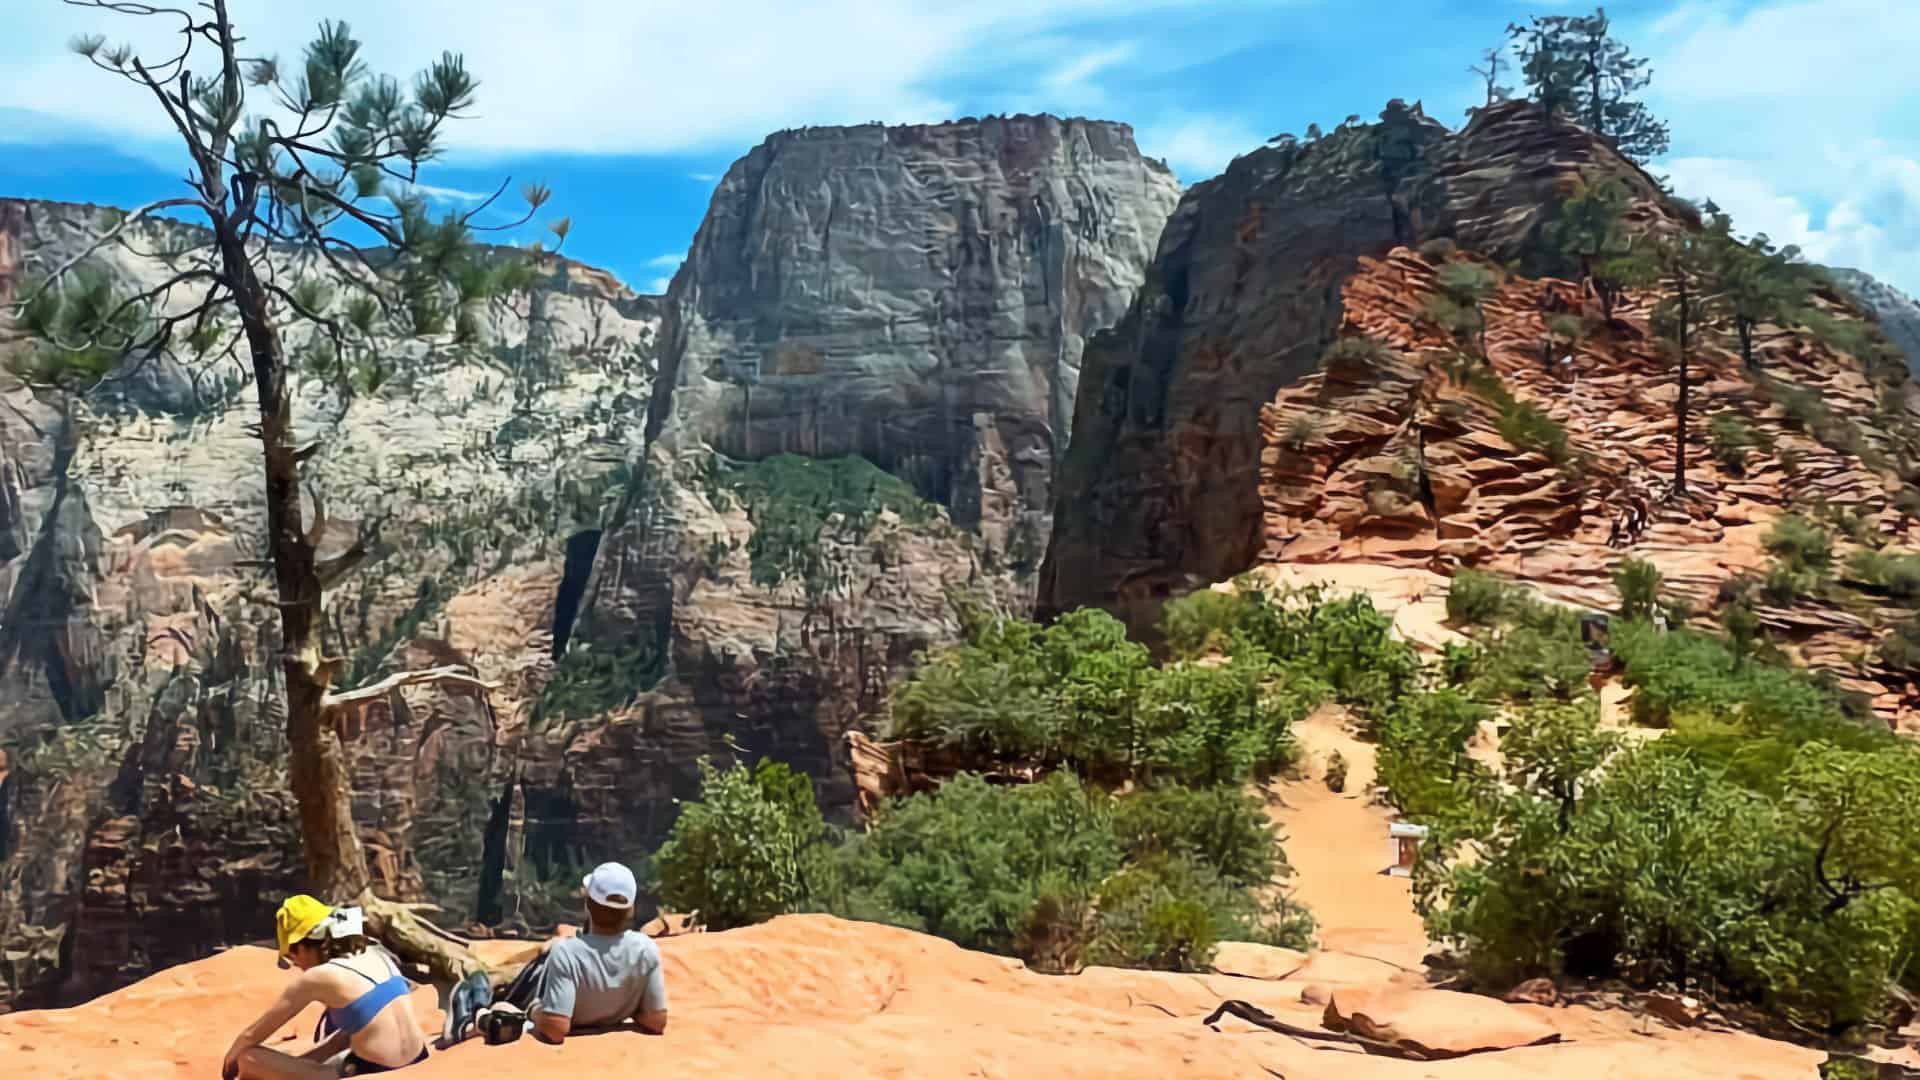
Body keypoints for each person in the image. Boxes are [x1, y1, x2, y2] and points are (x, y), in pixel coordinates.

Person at [221, 896, 431, 1078]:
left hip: (371, 1071)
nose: (295, 964)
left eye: (291, 956)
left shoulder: (318, 977)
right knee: (341, 1036)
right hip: (418, 1058)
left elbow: (252, 1035)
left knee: (248, 1058)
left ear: (302, 946)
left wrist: (229, 1064)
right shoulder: (375, 954)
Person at [526, 862, 669, 1045]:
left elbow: (555, 1028)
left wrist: (534, 1011)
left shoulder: (565, 952)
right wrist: (626, 1009)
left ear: (587, 905)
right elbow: (656, 1020)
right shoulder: (646, 949)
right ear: (630, 909)